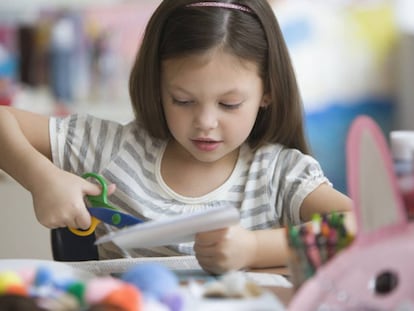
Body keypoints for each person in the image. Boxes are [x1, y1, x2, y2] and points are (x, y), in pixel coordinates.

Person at [0, 0, 354, 275]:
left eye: (229, 104)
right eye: (183, 100)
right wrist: (40, 178)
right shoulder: (112, 149)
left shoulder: (278, 173)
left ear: (268, 92)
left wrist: (254, 250)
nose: (205, 123)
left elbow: (361, 225)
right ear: (158, 87)